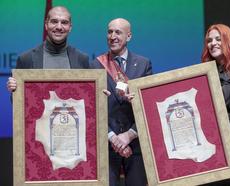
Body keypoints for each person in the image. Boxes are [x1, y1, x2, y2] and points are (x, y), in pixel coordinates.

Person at [90, 18, 152, 186]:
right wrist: (114, 138)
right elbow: (92, 108)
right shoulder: (95, 65)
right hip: (106, 144)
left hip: (137, 144)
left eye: (118, 32)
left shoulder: (143, 64)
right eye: (110, 32)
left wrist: (129, 135)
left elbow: (149, 106)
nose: (112, 36)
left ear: (129, 36)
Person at [201, 24, 230, 185]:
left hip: (223, 148)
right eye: (209, 40)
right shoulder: (200, 74)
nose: (212, 43)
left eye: (217, 39)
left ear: (228, 42)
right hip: (201, 145)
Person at [7, 6, 90, 91]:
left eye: (64, 22)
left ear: (70, 27)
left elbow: (87, 96)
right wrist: (14, 90)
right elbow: (19, 102)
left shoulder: (82, 59)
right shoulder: (26, 59)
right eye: (54, 22)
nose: (59, 27)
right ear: (46, 25)